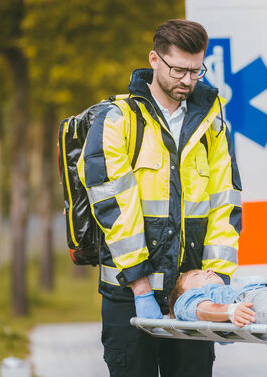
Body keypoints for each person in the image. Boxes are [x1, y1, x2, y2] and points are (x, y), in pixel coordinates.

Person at [77, 19, 241, 377]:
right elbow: (113, 208)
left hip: (190, 296)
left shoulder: (212, 124)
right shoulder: (118, 120)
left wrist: (217, 286)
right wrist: (140, 287)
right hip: (129, 296)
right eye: (179, 69)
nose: (187, 80)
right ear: (154, 59)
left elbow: (225, 206)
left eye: (196, 71)